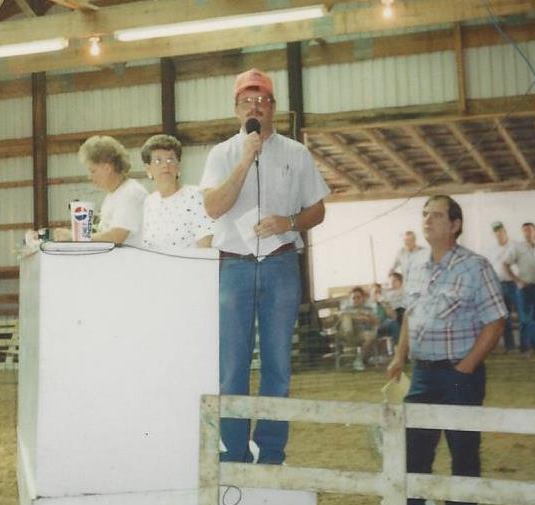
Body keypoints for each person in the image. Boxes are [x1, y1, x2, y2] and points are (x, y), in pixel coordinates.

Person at [200, 68, 330, 465]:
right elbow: (213, 207)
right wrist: (245, 159)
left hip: (280, 263)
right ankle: (234, 453)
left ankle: (272, 453)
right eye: (246, 101)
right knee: (232, 366)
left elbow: (318, 209)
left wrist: (288, 222)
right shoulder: (221, 154)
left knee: (278, 364)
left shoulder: (296, 153)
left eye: (261, 101)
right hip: (234, 267)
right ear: (236, 109)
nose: (254, 107)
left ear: (273, 108)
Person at [387, 195, 507, 505]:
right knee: (414, 454)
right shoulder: (414, 265)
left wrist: (466, 367)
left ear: (455, 225)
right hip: (422, 374)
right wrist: (400, 355)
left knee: (463, 455)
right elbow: (410, 315)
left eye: (437, 215)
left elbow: (496, 321)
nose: (427, 219)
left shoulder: (475, 266)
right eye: (425, 213)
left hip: (459, 375)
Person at [52, 135, 147, 245]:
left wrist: (76, 237)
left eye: (93, 171)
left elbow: (117, 236)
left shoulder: (130, 193)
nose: (90, 177)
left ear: (107, 168)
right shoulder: (114, 195)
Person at [140, 134, 213, 250]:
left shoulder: (196, 196)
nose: (165, 165)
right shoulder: (149, 202)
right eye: (158, 161)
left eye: (170, 159)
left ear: (178, 166)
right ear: (148, 169)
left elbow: (206, 246)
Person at [503, 222, 535, 357]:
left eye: (530, 230)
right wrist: (517, 281)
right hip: (525, 288)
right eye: (524, 230)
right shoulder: (517, 247)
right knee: (526, 319)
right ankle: (525, 349)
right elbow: (505, 264)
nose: (527, 232)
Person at [488, 221, 517, 352]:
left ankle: (530, 346)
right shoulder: (492, 249)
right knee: (504, 317)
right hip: (498, 285)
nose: (499, 234)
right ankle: (510, 346)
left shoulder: (514, 246)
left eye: (500, 231)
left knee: (525, 315)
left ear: (505, 231)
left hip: (514, 284)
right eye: (496, 232)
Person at [339, 286, 379, 370]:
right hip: (348, 333)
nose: (356, 300)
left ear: (363, 298)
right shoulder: (346, 308)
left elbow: (376, 322)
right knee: (346, 318)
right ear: (350, 298)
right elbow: (341, 318)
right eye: (353, 298)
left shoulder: (368, 308)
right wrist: (357, 318)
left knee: (370, 336)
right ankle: (349, 336)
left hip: (362, 333)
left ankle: (358, 360)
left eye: (358, 297)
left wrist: (368, 318)